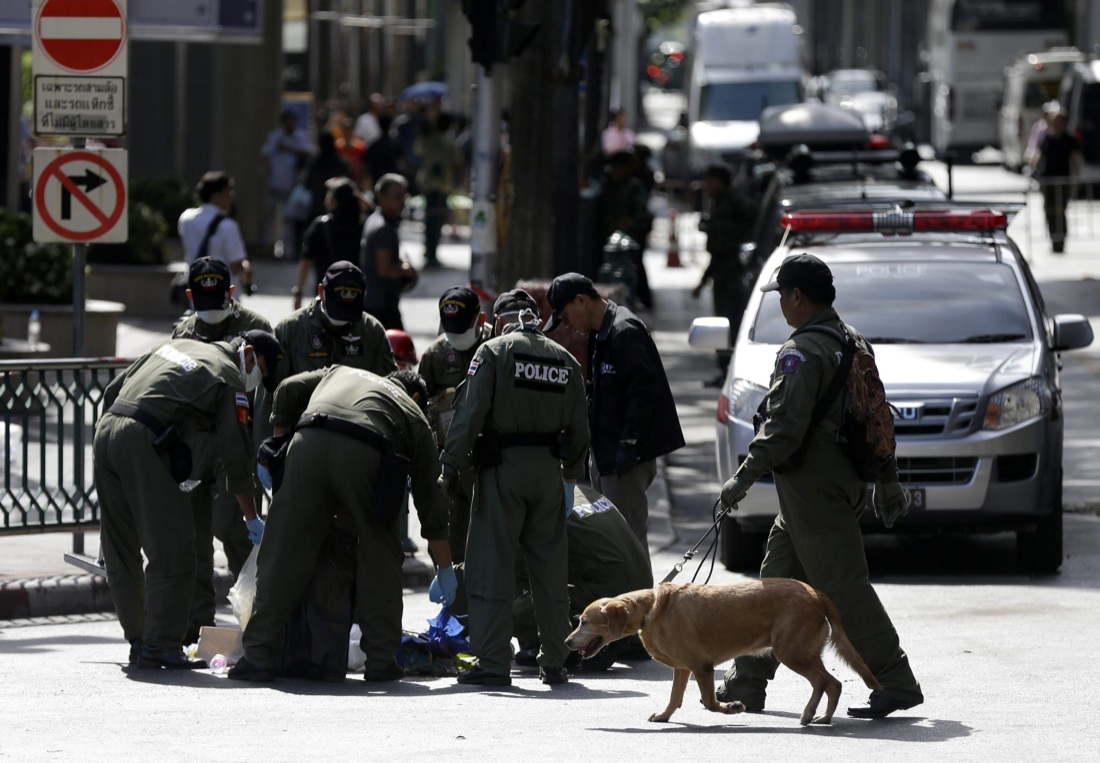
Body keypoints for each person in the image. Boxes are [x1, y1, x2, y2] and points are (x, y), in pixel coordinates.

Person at [715, 253, 923, 719]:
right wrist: (887, 480)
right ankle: (746, 684)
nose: (781, 307)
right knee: (770, 590)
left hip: (814, 493)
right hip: (829, 489)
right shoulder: (852, 341)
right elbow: (878, 418)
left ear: (796, 296)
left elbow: (782, 431)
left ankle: (895, 680)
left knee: (844, 589)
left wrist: (741, 479)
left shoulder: (801, 351)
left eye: (782, 297)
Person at [228, 367, 455, 683]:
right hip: (366, 451)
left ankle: (258, 655)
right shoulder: (412, 412)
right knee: (381, 555)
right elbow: (431, 505)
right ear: (416, 396)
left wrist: (279, 444)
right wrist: (445, 569)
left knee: (283, 550)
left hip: (308, 440)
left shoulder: (339, 372)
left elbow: (288, 387)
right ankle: (380, 661)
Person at [94, 330, 282, 668]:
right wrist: (252, 517)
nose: (255, 382)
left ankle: (139, 640)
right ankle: (162, 644)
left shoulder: (174, 344)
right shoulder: (227, 373)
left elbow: (111, 391)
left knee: (120, 548)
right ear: (249, 354)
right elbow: (235, 454)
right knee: (176, 548)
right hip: (143, 439)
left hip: (107, 429)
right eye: (260, 371)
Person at [440, 289, 590, 687]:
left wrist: (449, 466)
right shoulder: (565, 361)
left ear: (501, 320)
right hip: (548, 473)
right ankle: (556, 659)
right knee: (550, 570)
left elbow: (468, 415)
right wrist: (572, 476)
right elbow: (580, 429)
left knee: (492, 566)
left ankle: (492, 663)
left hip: (501, 470)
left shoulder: (493, 353)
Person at [171, 258, 274, 640]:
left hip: (239, 440)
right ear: (190, 296)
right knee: (194, 536)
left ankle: (254, 622)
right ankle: (197, 625)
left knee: (239, 533)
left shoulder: (256, 329)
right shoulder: (184, 328)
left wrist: (265, 451)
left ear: (231, 294)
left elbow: (267, 393)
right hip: (195, 442)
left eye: (219, 298)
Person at [545, 272, 685, 551]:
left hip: (625, 462)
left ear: (581, 301)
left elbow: (645, 393)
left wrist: (628, 445)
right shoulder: (601, 333)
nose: (568, 326)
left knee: (627, 545)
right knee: (611, 545)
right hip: (608, 457)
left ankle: (640, 597)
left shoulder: (624, 330)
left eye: (565, 316)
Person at [513, 483, 653, 672]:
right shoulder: (580, 489)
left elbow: (520, 565)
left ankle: (565, 650)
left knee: (507, 611)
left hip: (610, 592)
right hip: (639, 587)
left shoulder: (540, 501)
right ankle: (614, 640)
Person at [419, 286, 492, 569]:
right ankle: (453, 598)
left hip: (487, 460)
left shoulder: (496, 348)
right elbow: (418, 410)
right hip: (447, 462)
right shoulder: (434, 356)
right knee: (448, 534)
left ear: (480, 320)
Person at [274, 261, 397, 387]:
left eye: (350, 310)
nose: (343, 318)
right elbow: (271, 390)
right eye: (338, 309)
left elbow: (390, 387)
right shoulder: (290, 330)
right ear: (321, 292)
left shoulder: (372, 330)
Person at [693, 164, 760, 383]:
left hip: (732, 270)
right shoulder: (718, 203)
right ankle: (724, 369)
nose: (707, 186)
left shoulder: (734, 202)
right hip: (721, 269)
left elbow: (754, 216)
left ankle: (731, 368)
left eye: (711, 181)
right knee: (722, 323)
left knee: (731, 322)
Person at [292, 178, 366, 310]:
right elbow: (376, 209)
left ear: (334, 200)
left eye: (329, 194)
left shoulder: (321, 225)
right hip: (354, 292)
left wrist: (298, 291)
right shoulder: (361, 224)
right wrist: (351, 190)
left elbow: (306, 261)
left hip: (326, 291)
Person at [178, 171, 254, 294]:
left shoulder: (185, 218)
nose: (231, 197)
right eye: (229, 193)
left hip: (195, 291)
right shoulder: (228, 226)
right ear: (217, 196)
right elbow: (236, 266)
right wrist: (247, 268)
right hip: (223, 296)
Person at [361, 173, 418, 329]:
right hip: (382, 308)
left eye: (404, 196)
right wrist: (405, 270)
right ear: (382, 197)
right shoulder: (383, 228)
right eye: (398, 196)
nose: (402, 201)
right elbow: (384, 269)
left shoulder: (376, 220)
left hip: (378, 304)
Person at [597, 151, 652, 308]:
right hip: (609, 238)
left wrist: (629, 223)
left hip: (630, 238)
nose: (616, 172)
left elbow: (640, 212)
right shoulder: (608, 185)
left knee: (634, 271)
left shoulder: (634, 187)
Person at [260, 108, 313, 258]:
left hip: (291, 184)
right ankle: (267, 246)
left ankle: (287, 250)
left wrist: (291, 148)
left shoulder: (300, 136)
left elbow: (308, 152)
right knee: (270, 216)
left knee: (289, 219)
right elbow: (264, 153)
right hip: (275, 182)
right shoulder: (275, 136)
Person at [1030, 104, 1082, 254]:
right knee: (1049, 210)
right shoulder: (1047, 138)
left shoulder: (1069, 139)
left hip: (1062, 180)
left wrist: (1076, 179)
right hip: (1048, 181)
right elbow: (1039, 156)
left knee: (1060, 210)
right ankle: (1053, 238)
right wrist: (1032, 169)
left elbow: (1076, 160)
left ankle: (1061, 238)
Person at [415, 108, 462, 267]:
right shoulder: (449, 143)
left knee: (429, 217)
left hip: (427, 184)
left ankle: (429, 248)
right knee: (437, 219)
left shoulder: (427, 139)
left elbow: (417, 152)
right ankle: (432, 251)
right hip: (442, 185)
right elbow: (457, 162)